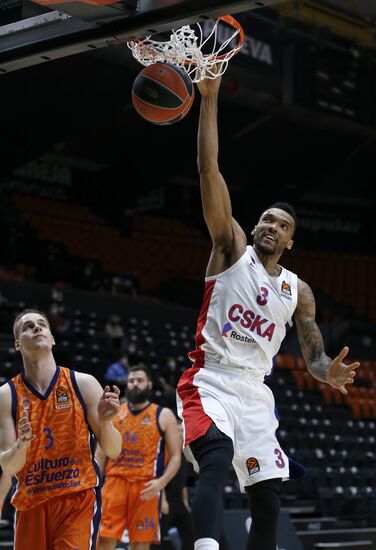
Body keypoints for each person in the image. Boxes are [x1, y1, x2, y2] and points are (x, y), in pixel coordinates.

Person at [176, 72, 360, 550]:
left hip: (255, 392)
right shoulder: (230, 247)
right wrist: (210, 98)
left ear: (290, 240)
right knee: (214, 460)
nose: (270, 226)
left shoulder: (299, 291)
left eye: (281, 225)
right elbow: (208, 169)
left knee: (268, 497)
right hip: (210, 378)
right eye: (265, 219)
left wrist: (326, 373)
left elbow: (313, 352)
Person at [0, 309, 122, 550]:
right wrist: (20, 446)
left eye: (42, 325)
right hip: (30, 503)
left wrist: (106, 422)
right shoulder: (6, 395)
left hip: (76, 499)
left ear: (52, 338)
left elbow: (114, 449)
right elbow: (8, 465)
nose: (36, 328)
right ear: (17, 344)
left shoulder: (83, 383)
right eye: (28, 327)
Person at [96, 365, 181, 550]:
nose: (135, 384)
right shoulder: (115, 412)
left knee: (141, 544)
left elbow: (175, 456)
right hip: (114, 483)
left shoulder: (164, 414)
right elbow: (102, 451)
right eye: (131, 381)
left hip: (146, 485)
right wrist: (96, 483)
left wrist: (161, 483)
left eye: (140, 381)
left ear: (149, 384)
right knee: (103, 540)